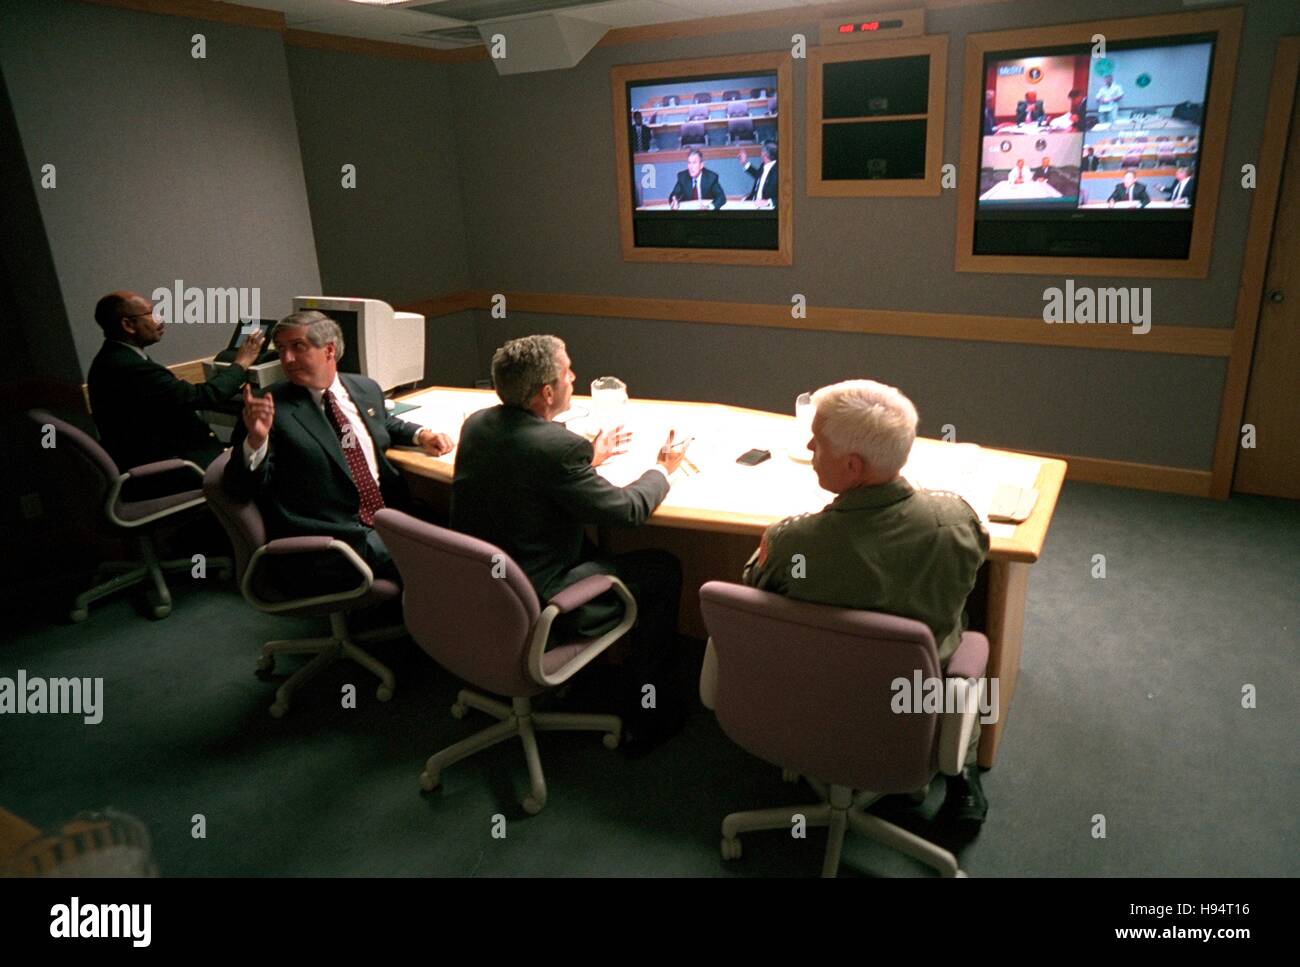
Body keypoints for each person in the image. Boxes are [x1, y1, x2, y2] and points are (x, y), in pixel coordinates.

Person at [702, 380, 990, 832]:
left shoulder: (792, 543)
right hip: (907, 704)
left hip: (804, 692)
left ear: (854, 466)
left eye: (819, 442)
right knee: (966, 629)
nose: (810, 445)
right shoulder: (955, 521)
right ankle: (963, 771)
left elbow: (756, 592)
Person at [450, 335, 690, 745]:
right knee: (663, 569)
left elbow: (527, 462)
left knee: (595, 548)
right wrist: (662, 469)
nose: (573, 377)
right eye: (567, 372)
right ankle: (646, 712)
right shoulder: (556, 448)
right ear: (547, 392)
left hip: (484, 593)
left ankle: (591, 677)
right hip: (542, 601)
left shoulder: (477, 424)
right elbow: (627, 511)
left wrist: (588, 457)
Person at [223, 310, 454, 589]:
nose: (286, 359)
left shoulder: (364, 388)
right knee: (443, 561)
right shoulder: (268, 405)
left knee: (462, 538)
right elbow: (237, 489)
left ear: (329, 350)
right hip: (332, 536)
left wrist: (420, 434)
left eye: (298, 347)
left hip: (389, 514)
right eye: (281, 349)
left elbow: (383, 421)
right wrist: (256, 441)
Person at [87, 290, 264, 472]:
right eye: (151, 313)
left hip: (153, 456)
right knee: (257, 461)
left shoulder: (113, 358)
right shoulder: (130, 367)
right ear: (128, 325)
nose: (160, 319)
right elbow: (203, 396)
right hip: (171, 468)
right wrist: (241, 363)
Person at [739, 141, 777, 207]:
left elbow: (787, 196)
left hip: (766, 208)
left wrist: (768, 202)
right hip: (753, 203)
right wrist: (745, 163)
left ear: (764, 154)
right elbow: (759, 177)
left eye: (761, 150)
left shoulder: (779, 171)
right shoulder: (763, 166)